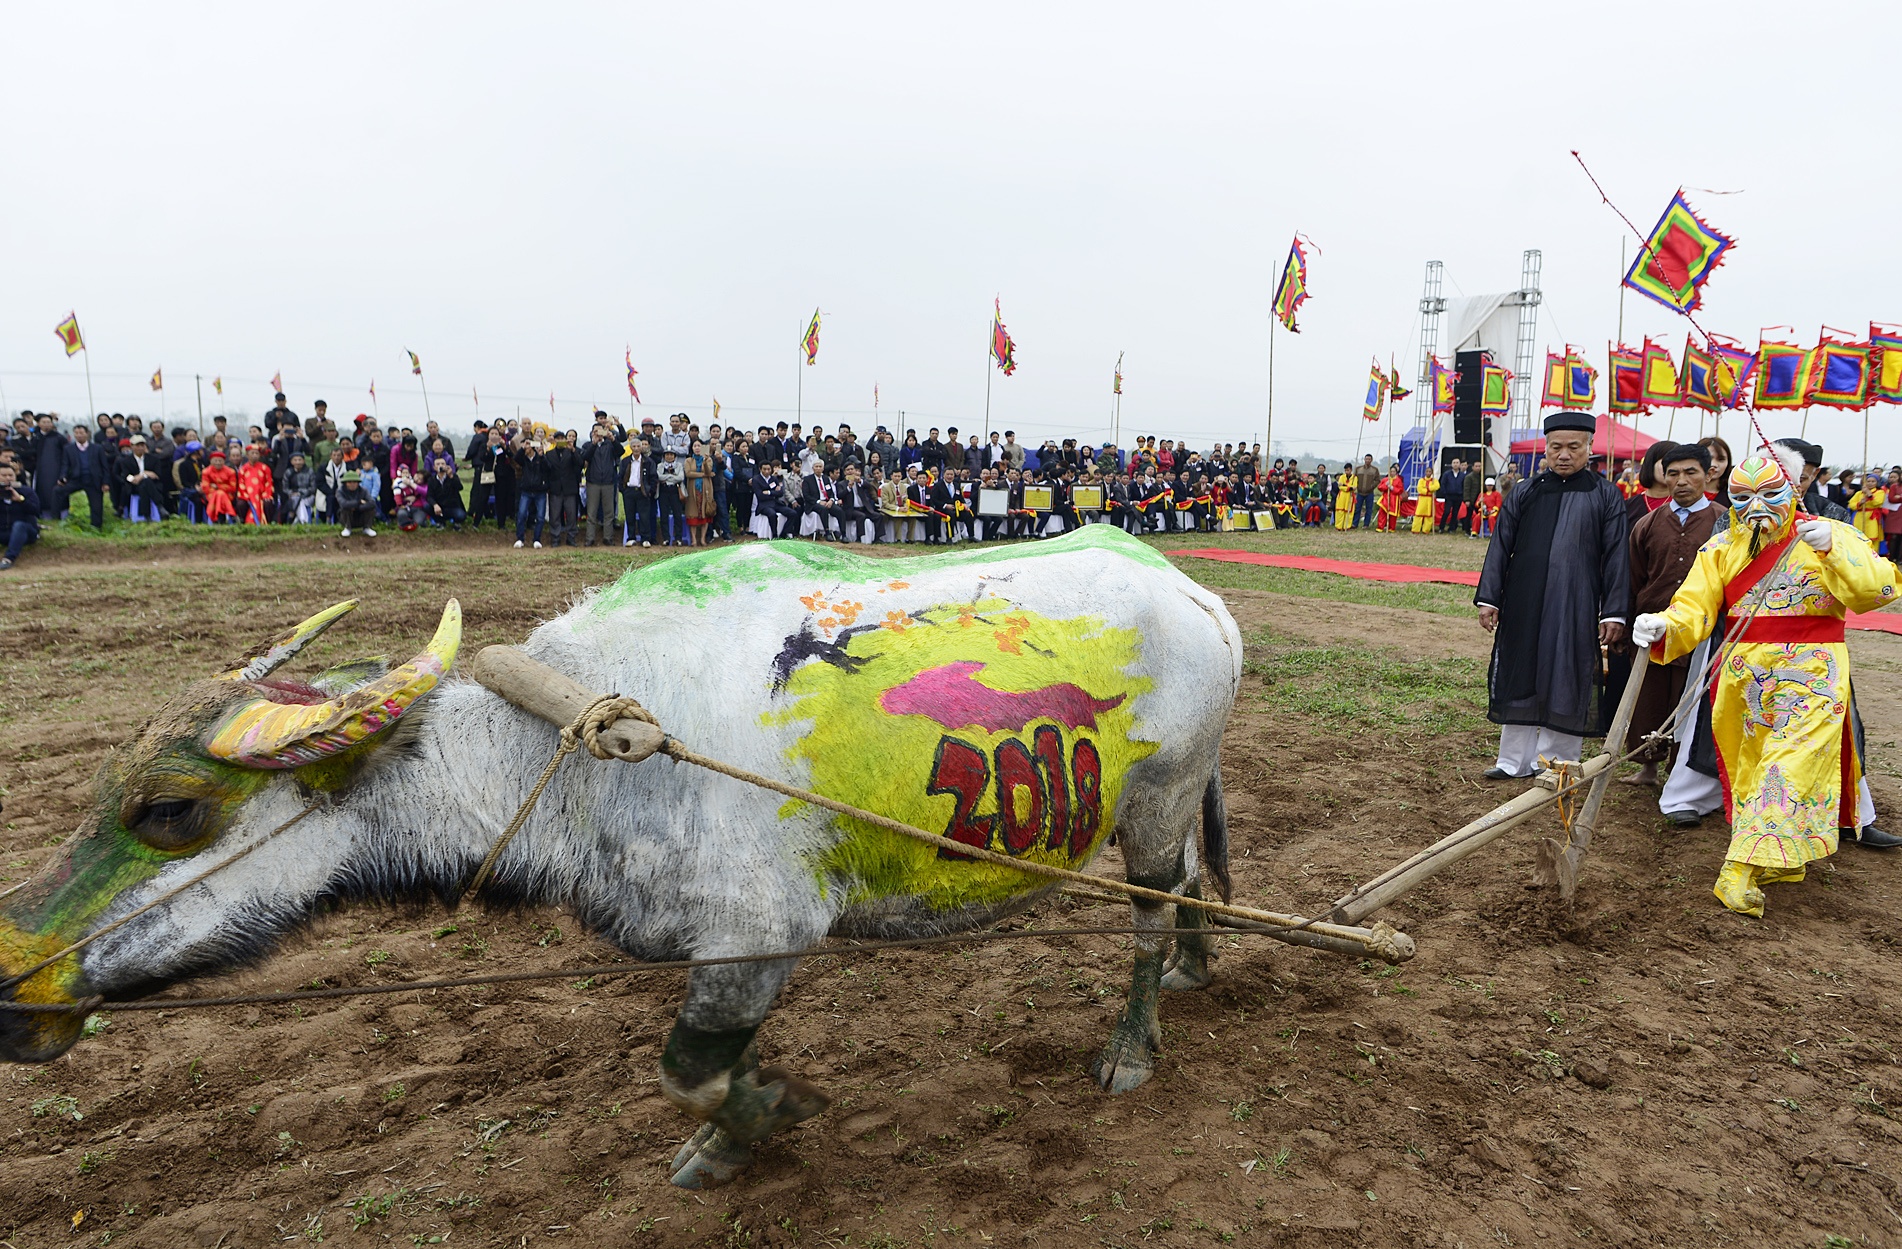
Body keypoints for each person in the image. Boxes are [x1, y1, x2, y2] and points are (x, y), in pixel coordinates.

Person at [1632, 452, 1901, 917]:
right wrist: (1661, 625)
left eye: (1770, 494)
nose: (1757, 506)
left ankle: (1739, 866)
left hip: (1812, 674)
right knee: (1754, 769)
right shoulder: (1720, 549)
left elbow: (1878, 590)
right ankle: (1781, 856)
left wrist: (1834, 546)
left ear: (1794, 491)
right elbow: (1692, 609)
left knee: (1788, 767)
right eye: (1742, 497)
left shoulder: (1830, 534)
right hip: (1742, 677)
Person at [1475, 412, 1632, 779]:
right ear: (1545, 447)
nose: (1564, 454)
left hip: (1575, 601)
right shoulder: (1526, 491)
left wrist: (1614, 612)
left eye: (1573, 447)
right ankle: (1512, 761)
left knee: (1568, 671)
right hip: (1523, 599)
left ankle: (1555, 762)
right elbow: (1500, 546)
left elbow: (1616, 557)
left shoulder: (1605, 494)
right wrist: (1490, 598)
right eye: (1556, 446)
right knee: (1519, 670)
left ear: (1589, 447)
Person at [1619, 443, 1716, 789]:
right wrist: (1628, 623)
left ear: (1709, 474)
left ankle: (1683, 774)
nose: (1682, 481)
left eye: (1691, 472)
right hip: (1652, 628)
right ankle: (1646, 768)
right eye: (1673, 473)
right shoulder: (1647, 524)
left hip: (1701, 634)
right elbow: (1634, 577)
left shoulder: (1723, 522)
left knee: (1689, 703)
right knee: (1649, 700)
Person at [542, 432, 584, 547]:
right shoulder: (549, 454)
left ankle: (571, 537)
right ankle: (555, 537)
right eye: (558, 439)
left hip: (570, 488)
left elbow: (580, 464)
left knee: (571, 514)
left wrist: (573, 450)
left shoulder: (571, 452)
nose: (560, 440)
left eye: (562, 438)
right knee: (554, 515)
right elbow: (546, 469)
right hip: (555, 489)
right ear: (554, 441)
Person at [0, 462, 40, 570]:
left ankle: (8, 559)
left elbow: (36, 511)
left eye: (10, 475)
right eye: (4, 475)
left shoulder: (26, 491)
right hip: (4, 532)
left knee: (19, 525)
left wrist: (21, 500)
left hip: (26, 531)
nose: (8, 478)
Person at [514, 438, 549, 549]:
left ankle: (537, 539)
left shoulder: (540, 457)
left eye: (529, 444)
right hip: (526, 491)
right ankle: (520, 539)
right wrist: (522, 448)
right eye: (526, 444)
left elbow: (548, 468)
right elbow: (516, 459)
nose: (528, 446)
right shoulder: (523, 458)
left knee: (540, 517)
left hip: (540, 491)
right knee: (521, 514)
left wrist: (542, 455)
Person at [334, 469, 376, 537]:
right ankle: (347, 528)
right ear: (345, 483)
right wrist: (358, 502)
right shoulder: (340, 491)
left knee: (371, 509)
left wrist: (356, 508)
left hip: (361, 515)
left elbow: (372, 503)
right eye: (349, 482)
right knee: (345, 509)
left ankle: (367, 527)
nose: (352, 484)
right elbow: (343, 504)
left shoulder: (364, 490)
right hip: (347, 517)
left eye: (354, 482)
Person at [201, 451, 239, 523]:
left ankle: (217, 518)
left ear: (224, 461)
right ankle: (231, 514)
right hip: (211, 494)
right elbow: (205, 488)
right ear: (211, 461)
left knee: (220, 494)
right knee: (219, 494)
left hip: (228, 495)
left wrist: (217, 487)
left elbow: (233, 488)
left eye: (220, 461)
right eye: (215, 460)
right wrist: (220, 489)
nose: (218, 463)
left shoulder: (231, 471)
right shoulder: (206, 471)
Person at [428, 457, 466, 529]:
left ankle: (456, 523)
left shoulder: (453, 476)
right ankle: (440, 522)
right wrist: (435, 505)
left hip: (452, 506)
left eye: (443, 464)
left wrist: (451, 476)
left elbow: (460, 488)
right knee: (427, 507)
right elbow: (429, 496)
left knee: (461, 515)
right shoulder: (431, 480)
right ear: (434, 467)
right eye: (438, 464)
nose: (441, 466)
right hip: (439, 507)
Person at [1376, 464, 1405, 533]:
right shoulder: (1385, 479)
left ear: (1396, 472)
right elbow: (1380, 487)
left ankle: (1391, 528)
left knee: (1392, 515)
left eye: (1393, 471)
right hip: (1386, 498)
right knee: (1382, 513)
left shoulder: (1398, 480)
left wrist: (1392, 488)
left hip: (1394, 499)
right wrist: (1385, 485)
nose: (1392, 473)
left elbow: (1400, 490)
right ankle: (1380, 527)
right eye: (1391, 471)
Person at [1410, 464, 1438, 534]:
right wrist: (1429, 490)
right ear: (1425, 472)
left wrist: (1428, 488)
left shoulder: (1434, 480)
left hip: (1430, 499)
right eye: (1427, 471)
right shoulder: (1421, 480)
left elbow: (1436, 486)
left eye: (1430, 471)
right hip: (1422, 499)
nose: (1428, 473)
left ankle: (1426, 530)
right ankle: (1416, 529)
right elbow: (1419, 489)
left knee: (1429, 515)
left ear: (1432, 473)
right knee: (1418, 514)